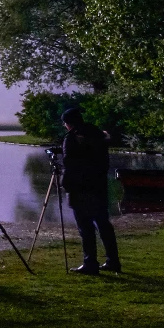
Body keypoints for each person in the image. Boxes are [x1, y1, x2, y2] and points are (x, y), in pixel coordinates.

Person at [60, 107, 120, 273]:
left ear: (68, 123)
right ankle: (113, 261)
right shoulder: (98, 134)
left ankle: (90, 263)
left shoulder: (71, 138)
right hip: (99, 185)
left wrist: (65, 182)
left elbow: (69, 164)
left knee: (85, 227)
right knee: (103, 224)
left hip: (80, 189)